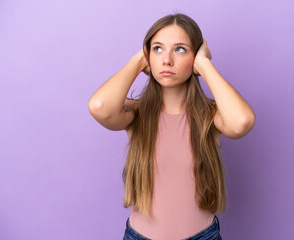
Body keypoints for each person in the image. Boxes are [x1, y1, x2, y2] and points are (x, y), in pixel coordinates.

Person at [88, 13, 255, 240]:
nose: (166, 60)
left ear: (194, 57)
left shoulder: (211, 115)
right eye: (157, 49)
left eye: (179, 49)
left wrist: (205, 65)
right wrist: (139, 60)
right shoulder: (136, 113)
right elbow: (99, 106)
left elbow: (242, 121)